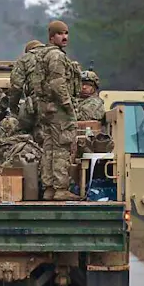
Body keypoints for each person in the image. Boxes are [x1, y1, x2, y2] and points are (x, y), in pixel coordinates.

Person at [35, 20, 81, 201]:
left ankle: (49, 188)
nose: (65, 37)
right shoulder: (56, 56)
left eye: (66, 33)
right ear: (52, 36)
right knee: (62, 147)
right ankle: (60, 188)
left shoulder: (42, 55)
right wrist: (68, 105)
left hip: (47, 109)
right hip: (58, 109)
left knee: (49, 148)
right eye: (60, 34)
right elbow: (57, 83)